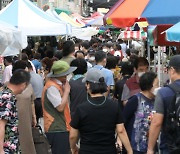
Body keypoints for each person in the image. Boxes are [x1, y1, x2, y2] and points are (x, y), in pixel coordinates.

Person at [69, 68, 133, 154]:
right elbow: (121, 130)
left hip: (87, 150)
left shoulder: (81, 108)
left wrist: (73, 147)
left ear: (88, 85)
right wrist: (129, 150)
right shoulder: (114, 106)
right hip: (109, 150)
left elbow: (73, 135)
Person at [42, 60, 76, 154]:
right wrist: (66, 92)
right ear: (62, 75)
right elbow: (60, 107)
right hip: (56, 127)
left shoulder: (57, 85)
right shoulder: (52, 87)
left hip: (61, 126)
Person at [147, 55, 180, 154]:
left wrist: (150, 149)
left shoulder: (164, 92)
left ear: (172, 70)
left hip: (170, 146)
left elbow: (157, 123)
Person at [123, 72, 159, 154]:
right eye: (156, 85)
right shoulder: (135, 100)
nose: (158, 87)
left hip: (151, 147)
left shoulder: (157, 101)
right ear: (149, 85)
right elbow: (123, 120)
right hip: (135, 147)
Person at [0, 69, 30, 153]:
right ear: (24, 85)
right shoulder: (7, 98)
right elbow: (1, 124)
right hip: (7, 148)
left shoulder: (4, 93)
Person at [12, 60, 37, 154]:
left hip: (26, 117)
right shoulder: (8, 85)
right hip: (13, 118)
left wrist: (34, 117)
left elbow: (32, 102)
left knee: (27, 140)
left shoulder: (29, 86)